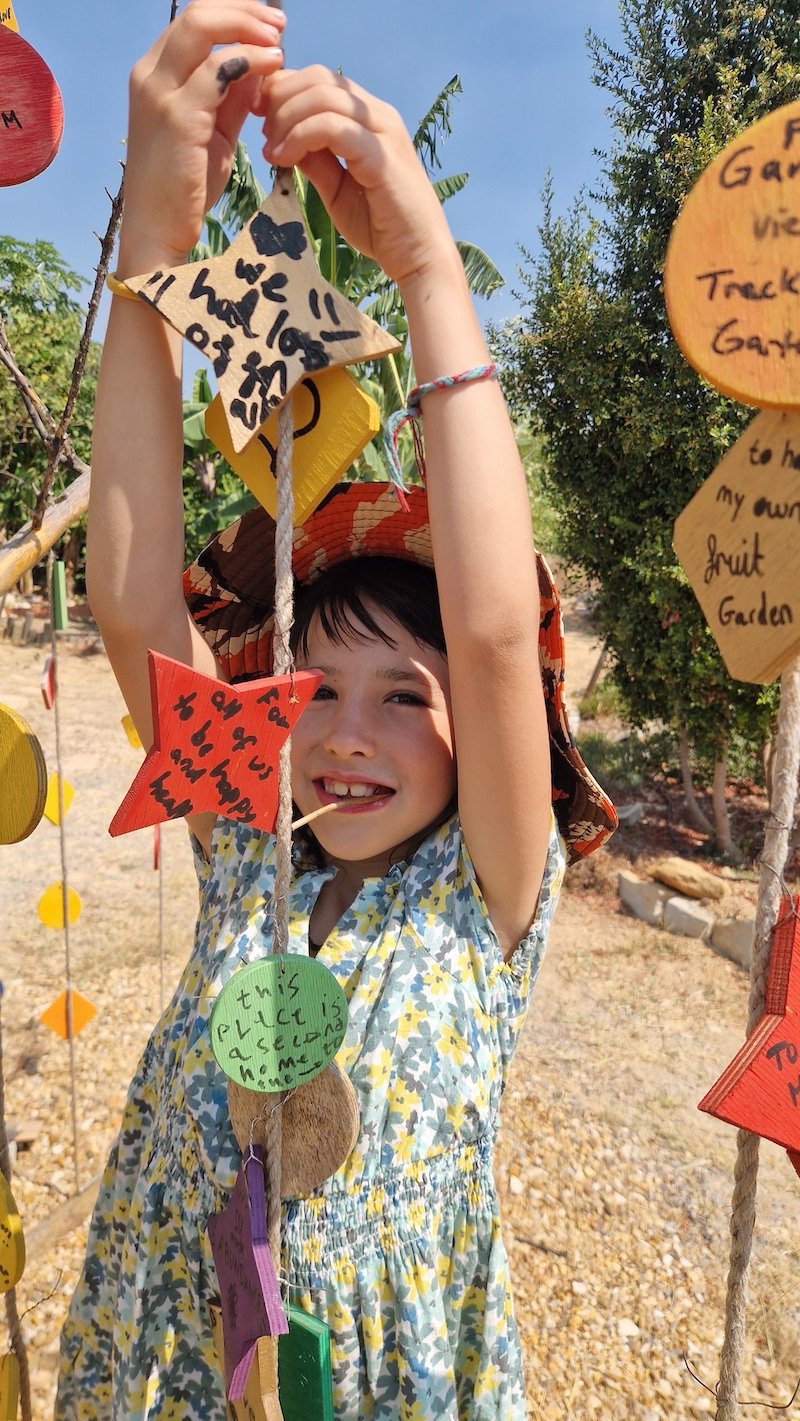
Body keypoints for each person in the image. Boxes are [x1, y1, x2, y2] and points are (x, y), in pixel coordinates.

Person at [55, 4, 616, 1418]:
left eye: (403, 697)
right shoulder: (250, 826)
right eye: (323, 685)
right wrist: (152, 246)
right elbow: (131, 604)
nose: (348, 732)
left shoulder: (482, 893)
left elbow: (492, 630)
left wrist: (427, 266)